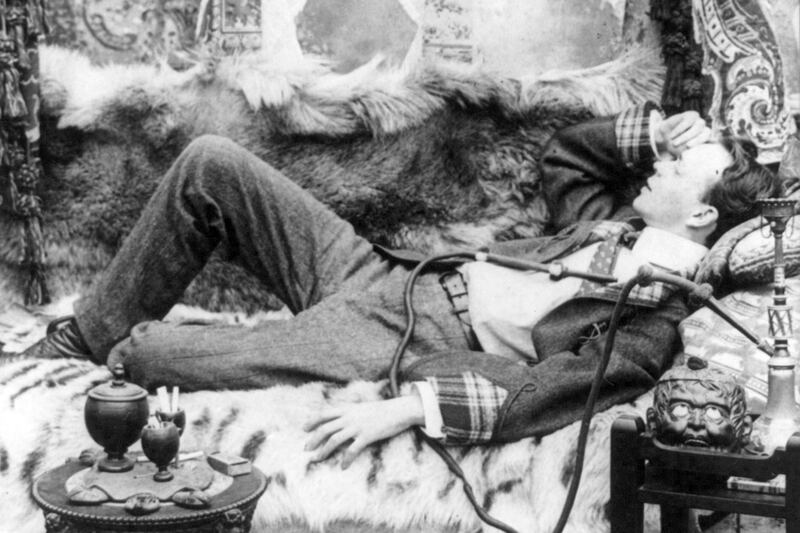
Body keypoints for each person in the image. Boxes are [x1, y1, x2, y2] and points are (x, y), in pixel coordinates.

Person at [16, 102, 781, 468]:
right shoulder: (608, 224)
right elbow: (568, 159)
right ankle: (78, 337)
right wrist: (655, 133)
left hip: (401, 340)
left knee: (144, 354)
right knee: (210, 162)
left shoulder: (655, 314)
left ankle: (104, 344)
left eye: (678, 166)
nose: (658, 167)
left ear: (703, 212)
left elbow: (561, 386)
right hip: (386, 273)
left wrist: (416, 405)